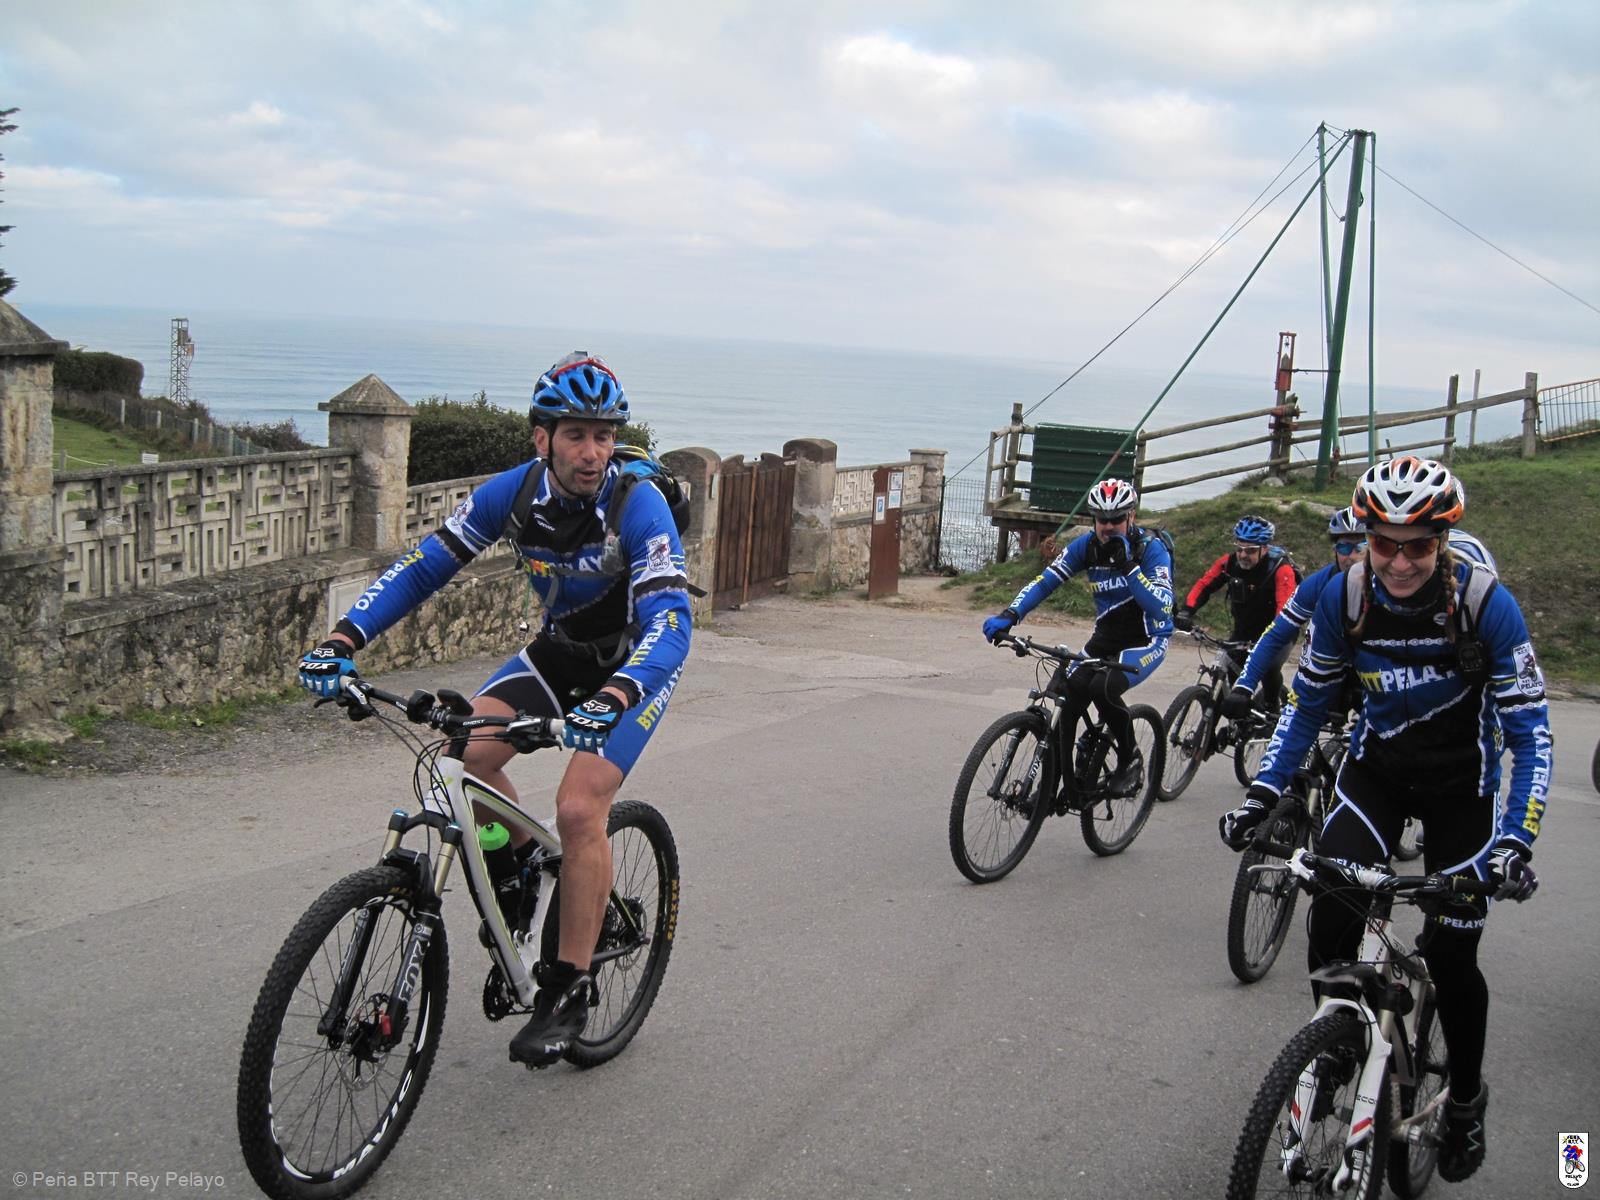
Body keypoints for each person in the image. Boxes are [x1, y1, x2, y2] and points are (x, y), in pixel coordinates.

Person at [297, 352, 693, 1067]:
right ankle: (517, 866)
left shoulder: (637, 504)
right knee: (461, 757)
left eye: (605, 436)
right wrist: (342, 640)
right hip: (560, 653)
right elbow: (424, 567)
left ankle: (568, 989)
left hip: (634, 668)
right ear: (542, 438)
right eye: (577, 435)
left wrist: (616, 695)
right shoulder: (511, 495)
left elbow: (671, 620)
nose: (593, 452)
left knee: (578, 809)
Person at [1219, 455, 1550, 1183]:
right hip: (1376, 778)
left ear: (1442, 541)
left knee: (1454, 957)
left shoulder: (1486, 604)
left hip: (1462, 791)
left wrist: (1514, 841)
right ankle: (1337, 1044)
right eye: (1383, 543)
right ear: (1366, 538)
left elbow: (1531, 735)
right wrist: (1263, 792)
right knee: (1332, 915)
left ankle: (1464, 1101)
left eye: (1418, 545)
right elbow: (1307, 706)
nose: (1399, 561)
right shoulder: (1346, 596)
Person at [981, 477, 1173, 796]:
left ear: (1131, 516)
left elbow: (1162, 608)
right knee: (1065, 699)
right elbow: (1046, 581)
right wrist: (1010, 614)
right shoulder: (1087, 546)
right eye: (1101, 519)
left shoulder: (1151, 551)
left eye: (1116, 519)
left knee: (1103, 687)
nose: (1107, 527)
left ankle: (1130, 759)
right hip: (1105, 639)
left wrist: (1129, 567)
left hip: (1147, 640)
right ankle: (1057, 785)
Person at [1219, 507, 1366, 720]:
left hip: (1378, 672)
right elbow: (1277, 632)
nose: (1351, 556)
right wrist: (1244, 687)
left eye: (1361, 546)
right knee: (1307, 714)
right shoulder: (1318, 583)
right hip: (1335, 664)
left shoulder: (1398, 586)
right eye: (1343, 547)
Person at [1173, 515, 1298, 711]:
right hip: (1243, 631)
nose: (1243, 555)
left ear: (1264, 548)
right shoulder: (1229, 562)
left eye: (1250, 551)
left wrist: (1271, 638)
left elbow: (1285, 610)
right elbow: (1204, 585)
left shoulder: (1280, 570)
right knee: (1225, 680)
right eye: (1239, 549)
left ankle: (1271, 707)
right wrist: (1186, 612)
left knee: (1269, 667)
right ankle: (1214, 728)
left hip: (1278, 632)